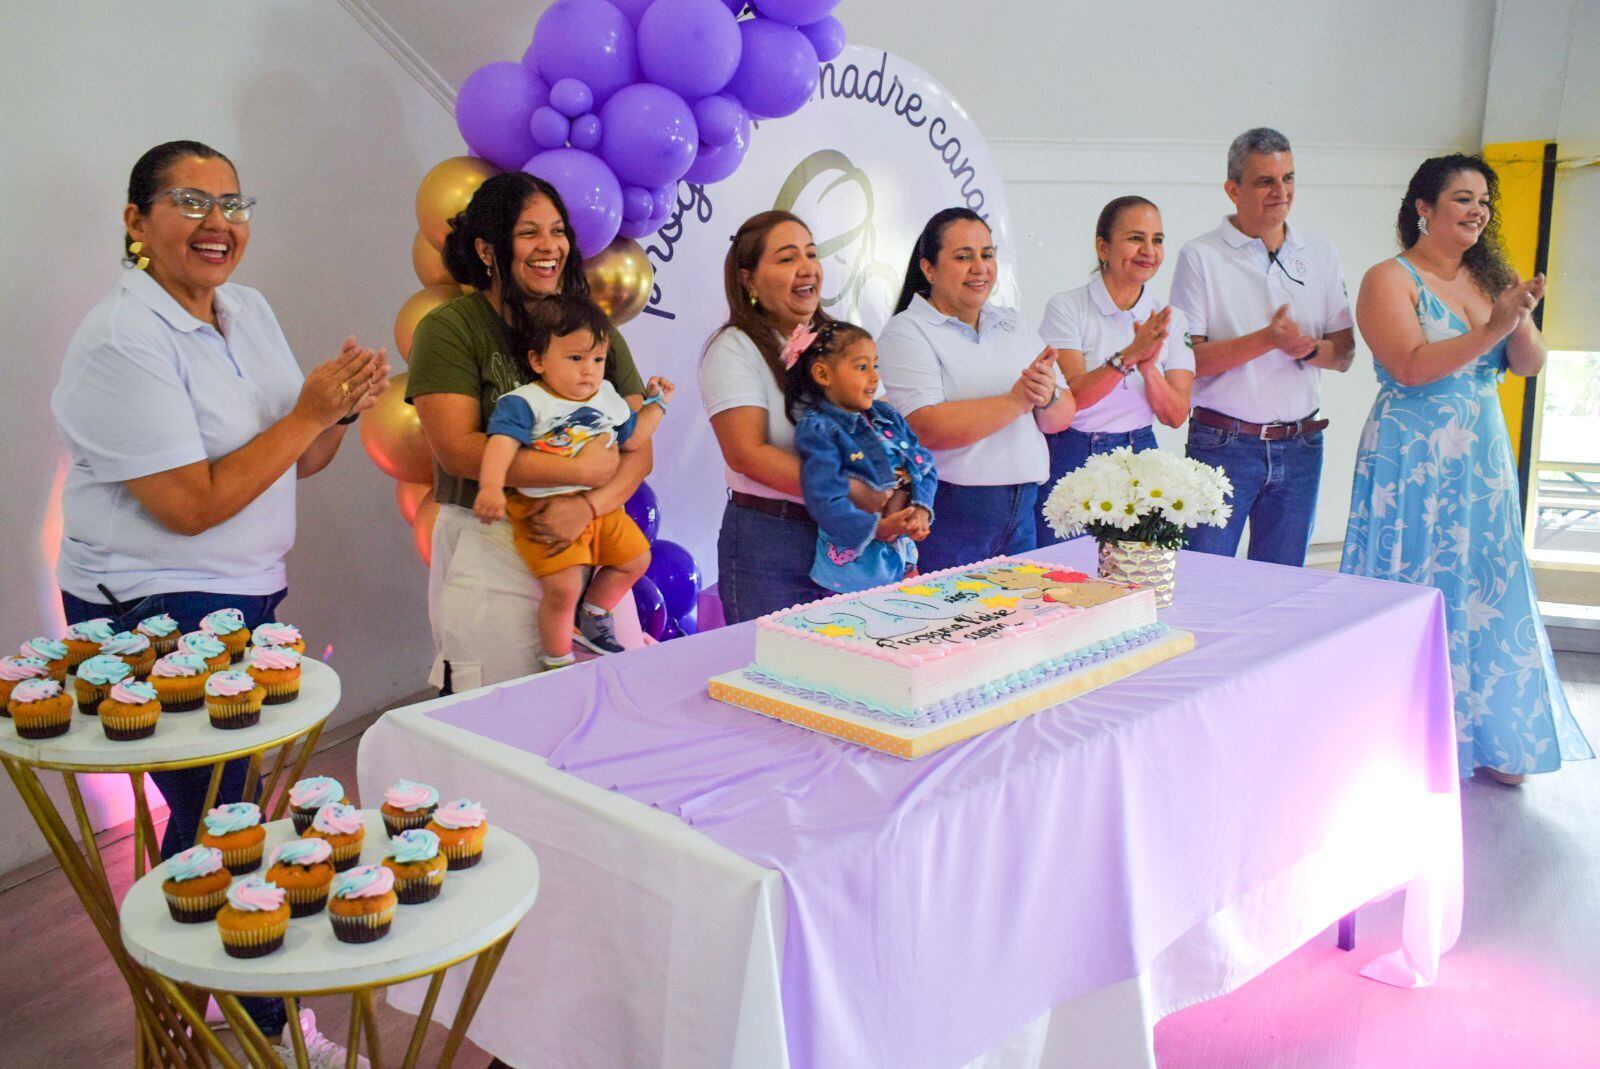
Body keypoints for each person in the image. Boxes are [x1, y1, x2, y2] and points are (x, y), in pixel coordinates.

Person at [51, 139, 386, 1058]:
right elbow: (190, 505)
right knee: (226, 827)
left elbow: (299, 456)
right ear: (135, 221)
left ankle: (222, 1019)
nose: (218, 224)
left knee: (230, 818)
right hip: (151, 614)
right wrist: (312, 413)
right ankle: (252, 1032)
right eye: (191, 202)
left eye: (234, 204)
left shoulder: (250, 309)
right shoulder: (124, 337)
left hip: (244, 596)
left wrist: (338, 409)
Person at [1341, 154, 1593, 785]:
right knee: (1413, 577)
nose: (1478, 210)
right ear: (1423, 208)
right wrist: (1494, 328)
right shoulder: (1387, 278)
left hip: (1478, 453)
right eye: (1462, 198)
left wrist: (1519, 315)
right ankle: (1396, 735)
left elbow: (1529, 365)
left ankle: (1493, 735)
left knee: (1487, 580)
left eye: (1484, 200)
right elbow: (1410, 365)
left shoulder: (1490, 278)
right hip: (1411, 455)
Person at [407, 173, 649, 690]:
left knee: (610, 703)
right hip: (492, 544)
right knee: (501, 721)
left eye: (558, 231)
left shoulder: (590, 328)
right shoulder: (450, 328)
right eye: (528, 232)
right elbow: (457, 450)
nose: (549, 247)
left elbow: (637, 449)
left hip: (594, 532)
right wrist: (574, 469)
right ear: (487, 248)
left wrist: (585, 505)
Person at [1169, 127, 1356, 565]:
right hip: (1224, 443)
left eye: (1288, 178)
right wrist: (1268, 340)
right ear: (1232, 190)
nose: (1281, 191)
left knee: (1281, 586)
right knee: (1203, 577)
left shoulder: (1322, 252)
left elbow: (1344, 354)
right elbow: (1189, 359)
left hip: (1302, 444)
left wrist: (1306, 350)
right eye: (1265, 181)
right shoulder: (1200, 255)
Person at [473, 296, 673, 670]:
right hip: (542, 509)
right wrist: (489, 487)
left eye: (597, 360)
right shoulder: (525, 402)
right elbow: (499, 445)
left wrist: (657, 406)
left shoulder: (608, 398)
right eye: (575, 359)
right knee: (562, 588)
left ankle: (595, 613)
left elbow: (633, 439)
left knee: (636, 559)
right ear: (538, 361)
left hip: (600, 505)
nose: (589, 371)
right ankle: (558, 660)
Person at [876, 208, 1076, 572]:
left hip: (1025, 507)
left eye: (987, 254)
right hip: (953, 511)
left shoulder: (1013, 323)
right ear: (928, 268)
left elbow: (1061, 417)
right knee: (954, 625)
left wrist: (1048, 397)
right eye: (963, 257)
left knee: (1021, 623)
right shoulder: (907, 331)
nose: (980, 267)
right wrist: (1017, 400)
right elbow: (927, 426)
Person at [701, 211, 837, 622]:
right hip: (771, 541)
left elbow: (878, 429)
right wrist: (846, 493)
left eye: (811, 254)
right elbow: (746, 453)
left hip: (845, 538)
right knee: (776, 680)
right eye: (786, 258)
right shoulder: (733, 348)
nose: (806, 268)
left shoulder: (839, 340)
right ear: (748, 278)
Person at [1035, 196, 1195, 545]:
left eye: (1157, 240)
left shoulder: (1171, 318)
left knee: (1134, 577)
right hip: (1074, 453)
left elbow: (1175, 414)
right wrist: (1128, 357)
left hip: (1141, 451)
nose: (1148, 251)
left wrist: (1150, 368)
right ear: (1102, 247)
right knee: (1063, 577)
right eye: (1136, 238)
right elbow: (1072, 399)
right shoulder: (1067, 307)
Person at [782, 320, 937, 593]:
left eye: (875, 366)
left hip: (903, 564)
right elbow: (826, 501)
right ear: (823, 375)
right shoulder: (819, 428)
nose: (875, 377)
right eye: (862, 367)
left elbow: (923, 464)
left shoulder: (887, 415)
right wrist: (879, 527)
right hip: (851, 579)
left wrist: (922, 510)